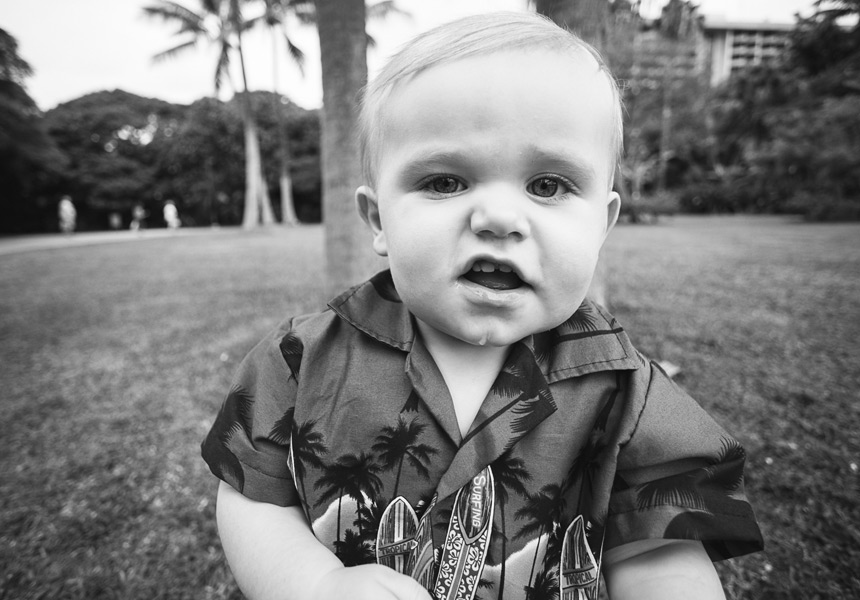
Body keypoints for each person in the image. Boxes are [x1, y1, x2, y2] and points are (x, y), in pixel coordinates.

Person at [201, 12, 763, 600]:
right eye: (445, 182)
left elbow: (661, 556)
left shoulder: (630, 397)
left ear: (603, 223)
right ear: (379, 221)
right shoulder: (298, 362)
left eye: (548, 185)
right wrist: (311, 583)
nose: (497, 217)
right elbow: (252, 495)